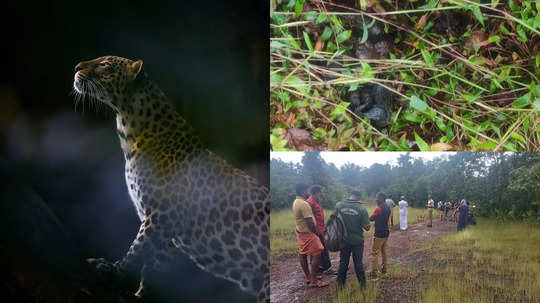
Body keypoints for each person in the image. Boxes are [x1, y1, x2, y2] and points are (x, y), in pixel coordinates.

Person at [292, 183, 329, 288]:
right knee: (317, 253)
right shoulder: (304, 204)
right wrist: (316, 233)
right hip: (308, 233)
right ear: (303, 190)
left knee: (303, 254)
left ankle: (309, 277)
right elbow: (309, 221)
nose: (308, 192)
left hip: (301, 232)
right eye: (306, 190)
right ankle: (314, 281)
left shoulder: (296, 202)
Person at [336, 190, 371, 289]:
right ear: (359, 197)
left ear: (350, 195)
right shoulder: (361, 208)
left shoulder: (339, 205)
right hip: (357, 241)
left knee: (343, 263)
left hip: (343, 240)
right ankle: (363, 287)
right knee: (358, 263)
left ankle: (340, 287)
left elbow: (334, 220)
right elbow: (367, 228)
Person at [305, 185, 331, 274]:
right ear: (316, 192)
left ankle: (323, 268)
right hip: (315, 231)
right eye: (321, 192)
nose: (322, 194)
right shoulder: (309, 202)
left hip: (320, 229)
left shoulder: (317, 201)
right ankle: (318, 270)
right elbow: (309, 219)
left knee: (322, 249)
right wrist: (315, 232)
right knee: (317, 251)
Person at [369, 192, 391, 278]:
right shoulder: (388, 208)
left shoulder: (378, 208)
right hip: (386, 232)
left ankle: (374, 274)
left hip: (379, 234)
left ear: (381, 198)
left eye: (377, 198)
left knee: (375, 253)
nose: (376, 199)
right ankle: (384, 270)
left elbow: (371, 218)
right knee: (384, 252)